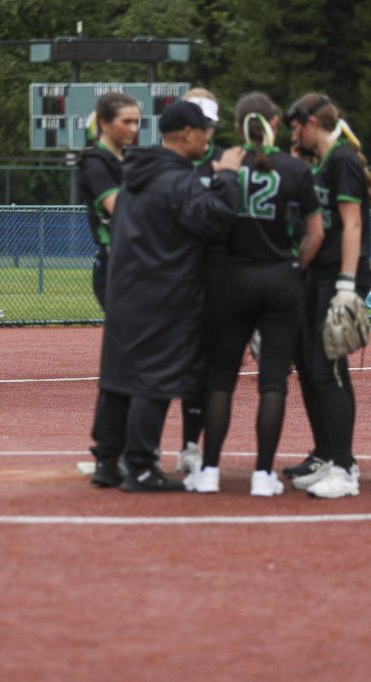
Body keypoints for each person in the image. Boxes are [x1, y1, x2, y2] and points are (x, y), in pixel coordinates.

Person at [90, 100, 243, 492]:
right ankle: (140, 466)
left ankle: (108, 461)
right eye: (205, 130)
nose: (209, 137)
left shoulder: (137, 173)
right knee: (151, 381)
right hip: (163, 293)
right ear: (189, 133)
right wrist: (226, 176)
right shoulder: (176, 180)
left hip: (126, 288)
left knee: (119, 378)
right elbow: (216, 221)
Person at [184, 92, 324, 496]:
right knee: (273, 381)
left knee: (221, 378)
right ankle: (263, 475)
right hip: (281, 278)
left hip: (232, 278)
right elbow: (316, 232)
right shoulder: (295, 169)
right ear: (275, 125)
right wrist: (293, 264)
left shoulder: (225, 164)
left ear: (238, 126)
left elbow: (208, 221)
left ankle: (209, 469)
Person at [281, 92, 371, 498]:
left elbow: (352, 225)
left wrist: (344, 284)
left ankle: (344, 467)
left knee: (328, 369)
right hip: (318, 275)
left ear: (310, 124)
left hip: (337, 276)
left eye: (295, 127)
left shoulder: (342, 160)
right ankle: (327, 455)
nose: (293, 136)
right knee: (309, 365)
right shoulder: (322, 162)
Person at [171, 87, 226, 475]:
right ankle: (130, 450)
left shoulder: (225, 163)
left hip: (218, 279)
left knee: (213, 369)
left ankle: (200, 449)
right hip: (174, 278)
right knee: (171, 366)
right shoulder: (169, 162)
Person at [78, 92, 141, 310]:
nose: (133, 128)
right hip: (116, 266)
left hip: (137, 263)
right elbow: (121, 208)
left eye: (136, 122)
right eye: (126, 121)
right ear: (104, 123)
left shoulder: (128, 161)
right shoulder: (95, 164)